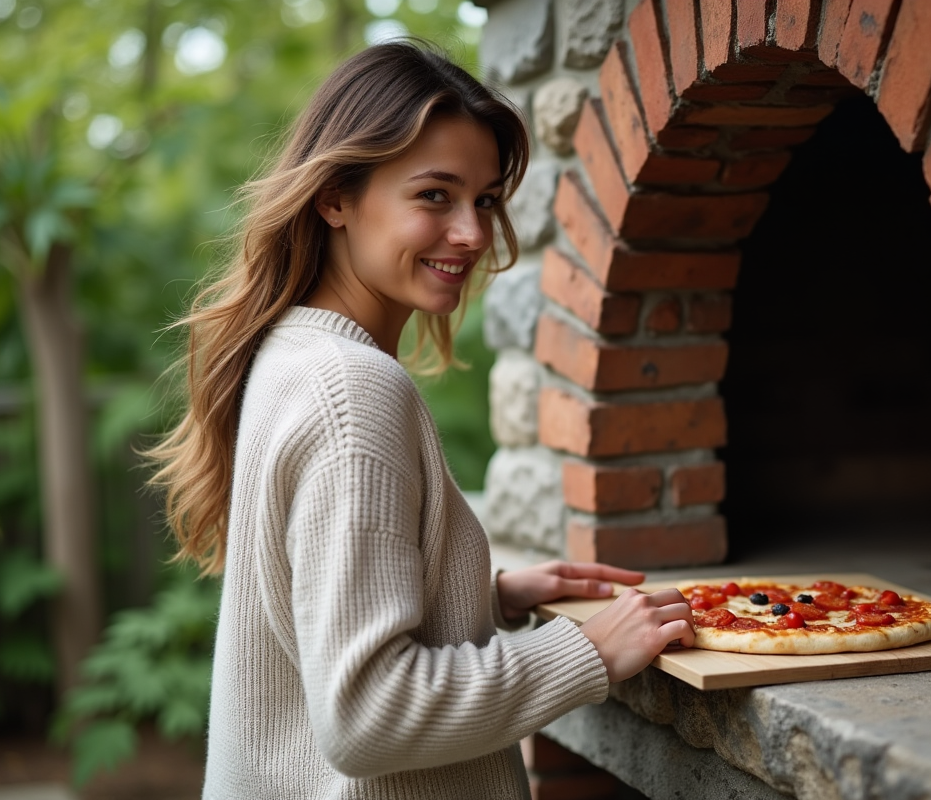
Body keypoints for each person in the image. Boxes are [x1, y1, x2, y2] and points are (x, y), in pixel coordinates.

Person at [147, 41, 695, 799]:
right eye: (434, 195)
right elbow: (367, 714)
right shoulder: (351, 390)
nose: (471, 233)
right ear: (336, 196)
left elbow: (326, 611)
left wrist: (478, 594)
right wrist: (583, 650)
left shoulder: (291, 352)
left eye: (486, 199)